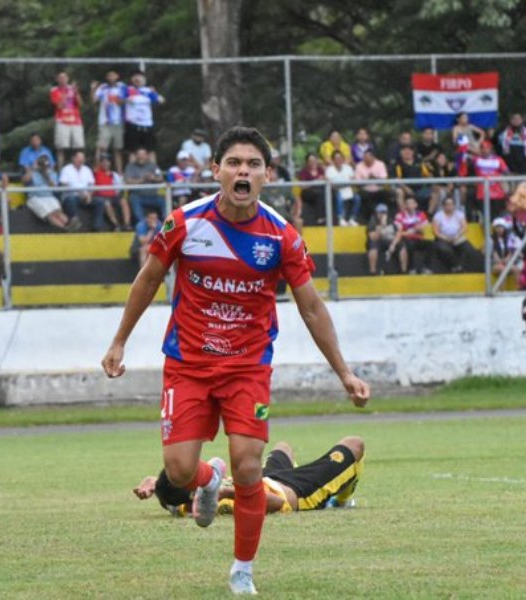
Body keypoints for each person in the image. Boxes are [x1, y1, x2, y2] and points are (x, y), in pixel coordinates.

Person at [101, 126, 370, 596]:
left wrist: (344, 372)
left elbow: (311, 307)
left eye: (252, 164)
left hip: (247, 368)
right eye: (234, 163)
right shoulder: (185, 222)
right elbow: (147, 280)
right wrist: (119, 341)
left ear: (267, 175)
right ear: (216, 171)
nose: (242, 171)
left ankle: (242, 570)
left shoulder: (281, 236)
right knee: (180, 472)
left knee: (249, 465)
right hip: (187, 365)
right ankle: (209, 480)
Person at [134, 436, 365, 516]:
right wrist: (229, 491)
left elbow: (172, 497)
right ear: (194, 492)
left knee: (283, 447)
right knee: (354, 445)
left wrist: (154, 483)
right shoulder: (211, 504)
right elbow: (276, 503)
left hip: (263, 476)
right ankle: (339, 501)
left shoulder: (181, 499)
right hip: (295, 491)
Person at [24, 155, 74, 231]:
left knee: (58, 212)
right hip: (36, 198)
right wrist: (32, 169)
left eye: (46, 165)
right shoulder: (33, 173)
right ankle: (64, 229)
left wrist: (46, 175)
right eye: (43, 165)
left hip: (49, 197)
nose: (45, 167)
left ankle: (70, 225)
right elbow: (25, 180)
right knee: (50, 215)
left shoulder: (52, 174)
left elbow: (54, 186)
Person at [124, 71, 165, 164]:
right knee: (133, 151)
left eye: (139, 77)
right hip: (133, 125)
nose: (137, 79)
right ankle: (132, 173)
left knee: (150, 150)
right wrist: (127, 99)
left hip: (147, 125)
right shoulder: (127, 90)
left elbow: (161, 101)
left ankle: (154, 173)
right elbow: (119, 100)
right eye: (135, 77)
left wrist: (154, 92)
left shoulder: (148, 91)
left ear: (144, 79)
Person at [91, 69, 127, 173]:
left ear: (117, 76)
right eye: (109, 75)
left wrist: (115, 99)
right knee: (101, 148)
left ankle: (119, 174)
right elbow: (94, 100)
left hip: (118, 122)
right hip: (105, 122)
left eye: (113, 75)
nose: (111, 77)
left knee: (118, 149)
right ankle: (97, 172)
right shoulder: (103, 87)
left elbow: (123, 101)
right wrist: (93, 89)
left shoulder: (122, 86)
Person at [50, 70, 85, 168]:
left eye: (64, 77)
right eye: (60, 77)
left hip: (75, 120)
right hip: (62, 121)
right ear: (57, 79)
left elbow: (80, 104)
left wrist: (76, 93)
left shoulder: (72, 89)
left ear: (68, 78)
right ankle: (61, 169)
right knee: (61, 147)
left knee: (78, 147)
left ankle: (78, 167)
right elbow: (60, 106)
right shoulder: (54, 90)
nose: (63, 79)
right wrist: (66, 92)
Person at [432, 196, 475, 273]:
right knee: (444, 248)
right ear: (443, 206)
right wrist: (445, 238)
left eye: (451, 204)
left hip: (457, 236)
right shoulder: (438, 215)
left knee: (469, 248)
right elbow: (436, 232)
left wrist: (457, 235)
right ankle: (455, 266)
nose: (449, 206)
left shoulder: (459, 214)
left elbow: (465, 227)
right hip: (443, 237)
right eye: (447, 204)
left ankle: (463, 267)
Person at [59, 150, 100, 230]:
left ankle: (97, 225)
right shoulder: (66, 169)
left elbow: (91, 185)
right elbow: (64, 184)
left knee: (100, 201)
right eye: (79, 158)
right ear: (73, 158)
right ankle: (74, 221)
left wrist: (89, 195)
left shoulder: (87, 169)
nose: (81, 160)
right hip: (71, 195)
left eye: (82, 158)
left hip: (86, 195)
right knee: (71, 199)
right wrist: (80, 193)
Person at [123, 147, 165, 223]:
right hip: (138, 196)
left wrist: (153, 178)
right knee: (133, 199)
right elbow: (128, 181)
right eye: (139, 154)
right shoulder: (130, 167)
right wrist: (143, 179)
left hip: (153, 196)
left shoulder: (153, 166)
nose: (141, 156)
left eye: (143, 154)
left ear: (147, 155)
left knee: (164, 201)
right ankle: (143, 225)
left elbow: (161, 178)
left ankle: (167, 225)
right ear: (136, 156)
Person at [394, 196, 432, 274]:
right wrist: (413, 230)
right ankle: (411, 268)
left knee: (430, 244)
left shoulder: (421, 214)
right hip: (406, 238)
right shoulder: (400, 215)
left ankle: (425, 267)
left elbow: (425, 227)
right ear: (405, 205)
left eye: (412, 203)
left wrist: (415, 230)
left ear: (416, 205)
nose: (410, 205)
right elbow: (399, 232)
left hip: (419, 237)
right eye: (408, 203)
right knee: (409, 244)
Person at [93, 154, 130, 231]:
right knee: (106, 203)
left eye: (107, 162)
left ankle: (127, 224)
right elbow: (96, 160)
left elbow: (120, 187)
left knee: (123, 200)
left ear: (110, 163)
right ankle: (116, 224)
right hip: (101, 196)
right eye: (103, 162)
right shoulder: (96, 172)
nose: (105, 163)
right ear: (100, 163)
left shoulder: (114, 174)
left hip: (113, 195)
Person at [325, 150, 360, 226]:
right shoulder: (329, 170)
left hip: (348, 190)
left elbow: (353, 180)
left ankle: (352, 218)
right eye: (336, 158)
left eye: (340, 158)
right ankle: (341, 218)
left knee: (357, 198)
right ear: (333, 160)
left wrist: (345, 184)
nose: (338, 160)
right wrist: (341, 185)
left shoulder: (348, 168)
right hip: (336, 191)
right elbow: (330, 183)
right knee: (339, 196)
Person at [354, 148, 389, 223]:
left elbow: (383, 181)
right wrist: (367, 180)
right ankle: (371, 218)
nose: (366, 159)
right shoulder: (359, 166)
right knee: (365, 196)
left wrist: (374, 178)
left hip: (378, 189)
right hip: (365, 190)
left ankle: (386, 218)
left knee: (388, 194)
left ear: (373, 157)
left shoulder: (380, 164)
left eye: (369, 157)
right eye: (365, 157)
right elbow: (358, 183)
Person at [366, 203, 402, 275]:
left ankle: (403, 271)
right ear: (377, 213)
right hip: (376, 241)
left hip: (388, 241)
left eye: (384, 212)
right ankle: (372, 271)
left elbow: (398, 234)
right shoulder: (372, 222)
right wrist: (382, 225)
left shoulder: (391, 222)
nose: (382, 214)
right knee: (373, 246)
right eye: (380, 212)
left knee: (402, 245)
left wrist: (393, 245)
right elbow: (373, 237)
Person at [295, 153, 325, 226]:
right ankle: (320, 217)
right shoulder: (304, 172)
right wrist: (315, 181)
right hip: (307, 192)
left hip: (320, 190)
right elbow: (303, 186)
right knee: (318, 194)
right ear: (307, 162)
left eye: (314, 160)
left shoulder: (320, 170)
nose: (313, 162)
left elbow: (325, 179)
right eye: (310, 161)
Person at [491, 217, 521, 284]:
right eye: (497, 227)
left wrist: (507, 259)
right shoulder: (491, 239)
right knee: (502, 269)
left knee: (516, 269)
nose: (499, 229)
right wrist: (499, 260)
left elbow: (510, 251)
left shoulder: (508, 239)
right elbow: (493, 252)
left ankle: (519, 290)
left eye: (501, 227)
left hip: (506, 262)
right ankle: (501, 291)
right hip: (494, 264)